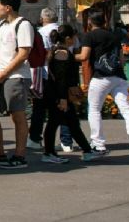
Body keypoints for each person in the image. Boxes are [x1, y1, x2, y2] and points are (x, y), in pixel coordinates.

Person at [80, 11, 129, 155]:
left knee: (94, 109)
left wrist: (66, 54)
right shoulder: (115, 35)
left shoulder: (89, 36)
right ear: (104, 21)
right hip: (118, 76)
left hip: (100, 77)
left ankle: (98, 144)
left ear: (90, 22)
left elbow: (84, 56)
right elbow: (122, 58)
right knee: (126, 109)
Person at [0, 0, 33, 169]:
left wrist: (4, 73)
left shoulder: (23, 24)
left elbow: (23, 54)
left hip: (16, 77)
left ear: (8, 7)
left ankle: (20, 156)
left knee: (17, 115)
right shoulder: (2, 24)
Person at [41, 24, 97, 164]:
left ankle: (87, 151)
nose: (75, 39)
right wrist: (62, 98)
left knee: (69, 123)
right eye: (73, 37)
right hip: (59, 95)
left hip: (59, 94)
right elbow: (60, 78)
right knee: (56, 123)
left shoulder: (60, 51)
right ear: (67, 38)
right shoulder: (62, 52)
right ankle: (49, 153)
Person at [28, 8, 59, 150]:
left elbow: (42, 55)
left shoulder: (41, 33)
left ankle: (35, 138)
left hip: (45, 73)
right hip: (61, 73)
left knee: (39, 108)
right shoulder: (64, 29)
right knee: (61, 108)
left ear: (44, 18)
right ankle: (65, 141)